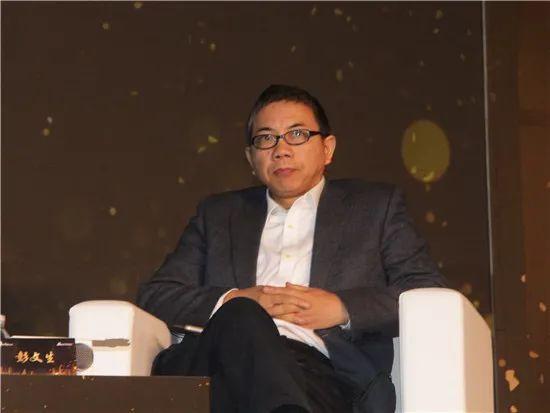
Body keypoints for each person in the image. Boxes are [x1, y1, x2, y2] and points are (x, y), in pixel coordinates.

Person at [137, 84, 447, 413]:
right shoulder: (218, 215)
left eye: (297, 134)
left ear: (327, 148)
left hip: (320, 375)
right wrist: (235, 299)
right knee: (243, 315)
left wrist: (342, 308)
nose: (281, 150)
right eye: (266, 138)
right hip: (218, 367)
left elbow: (426, 289)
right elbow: (157, 295)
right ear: (251, 158)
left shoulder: (375, 207)